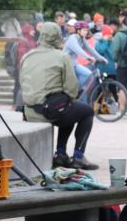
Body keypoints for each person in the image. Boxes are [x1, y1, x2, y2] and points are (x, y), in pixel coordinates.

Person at [19, 23, 98, 170]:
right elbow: (71, 88)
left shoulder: (27, 57)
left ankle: (61, 155)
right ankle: (78, 156)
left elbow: (21, 82)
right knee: (85, 111)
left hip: (29, 111)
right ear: (57, 37)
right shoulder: (62, 57)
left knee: (65, 105)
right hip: (50, 112)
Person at [64, 21, 107, 99]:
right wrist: (88, 57)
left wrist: (101, 58)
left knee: (89, 74)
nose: (86, 32)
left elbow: (90, 49)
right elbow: (78, 50)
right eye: (84, 30)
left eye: (87, 30)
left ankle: (77, 91)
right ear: (78, 30)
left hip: (74, 64)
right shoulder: (72, 38)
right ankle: (74, 91)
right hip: (66, 66)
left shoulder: (82, 39)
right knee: (85, 76)